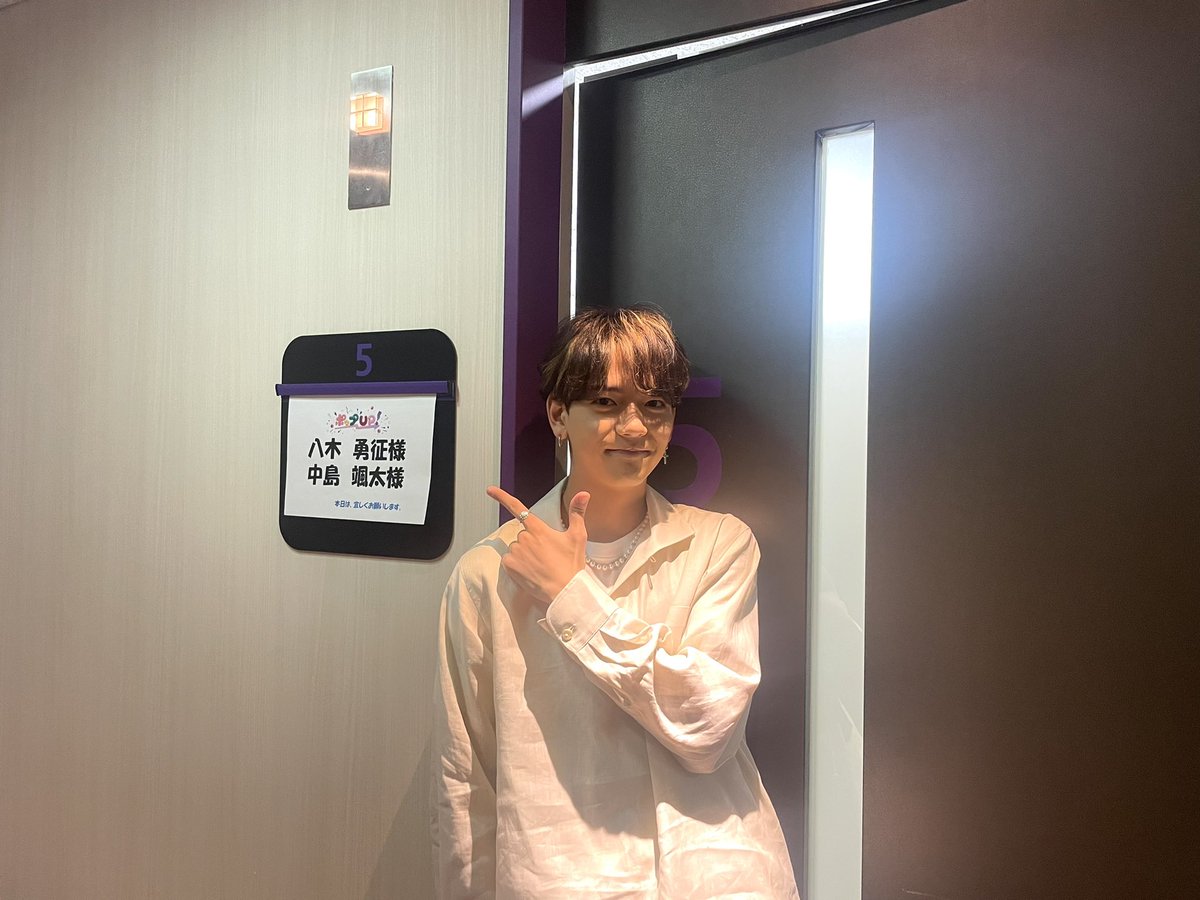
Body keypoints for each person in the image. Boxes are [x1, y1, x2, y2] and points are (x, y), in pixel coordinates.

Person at [432, 307, 798, 898]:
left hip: (713, 874)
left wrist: (572, 599)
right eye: (606, 402)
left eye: (655, 405)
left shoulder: (718, 544)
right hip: (561, 876)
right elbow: (464, 778)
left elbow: (709, 728)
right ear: (559, 414)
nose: (635, 427)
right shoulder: (489, 572)